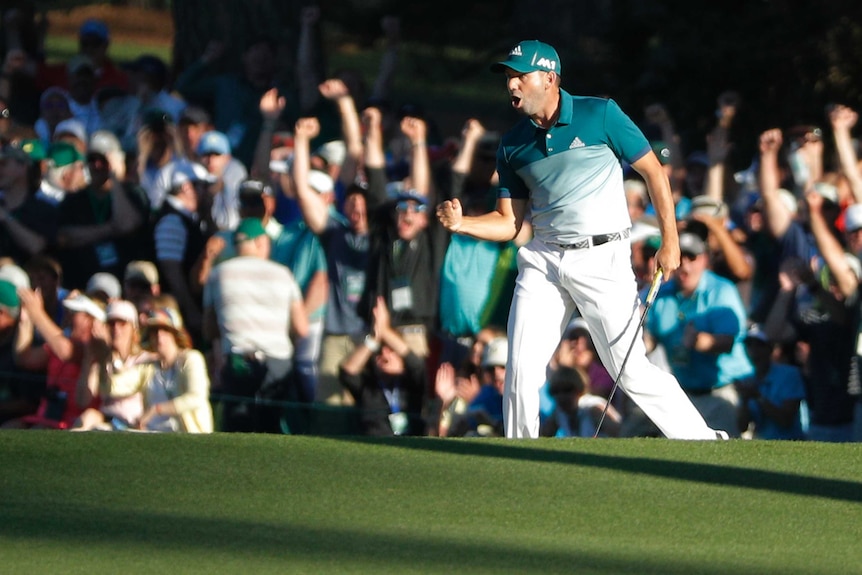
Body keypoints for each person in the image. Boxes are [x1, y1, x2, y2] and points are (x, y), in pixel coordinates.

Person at [436, 40, 725, 439]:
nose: (512, 85)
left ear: (550, 78)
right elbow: (509, 223)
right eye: (508, 77)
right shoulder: (513, 144)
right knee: (520, 367)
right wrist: (462, 224)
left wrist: (669, 242)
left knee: (632, 371)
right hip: (544, 261)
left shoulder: (600, 114)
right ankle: (522, 460)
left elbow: (655, 174)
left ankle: (705, 440)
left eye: (520, 76)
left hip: (602, 258)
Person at [202, 217, 309, 432]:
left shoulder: (218, 274)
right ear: (261, 242)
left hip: (238, 360)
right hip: (278, 361)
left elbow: (208, 329)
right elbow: (302, 328)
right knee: (273, 429)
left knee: (237, 431)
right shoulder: (283, 274)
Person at [136, 306, 213, 433]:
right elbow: (117, 386)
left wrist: (157, 409)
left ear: (175, 334)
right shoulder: (148, 366)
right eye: (154, 331)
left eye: (165, 330)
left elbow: (196, 397)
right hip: (152, 435)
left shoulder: (191, 359)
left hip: (187, 438)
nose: (159, 336)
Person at [734, 325, 806, 440]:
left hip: (790, 442)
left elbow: (785, 420)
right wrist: (745, 400)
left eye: (759, 345)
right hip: (762, 443)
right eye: (749, 345)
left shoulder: (789, 375)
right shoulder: (747, 379)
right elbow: (742, 427)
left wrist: (758, 397)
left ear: (771, 348)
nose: (754, 351)